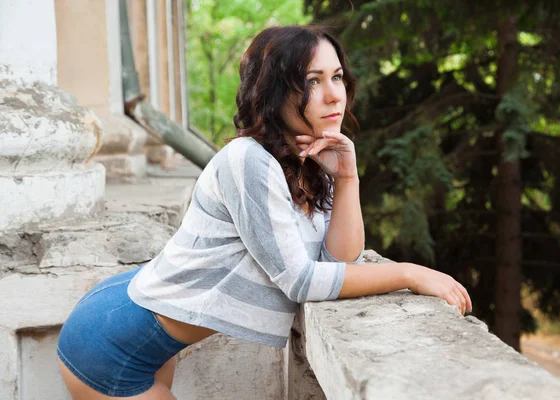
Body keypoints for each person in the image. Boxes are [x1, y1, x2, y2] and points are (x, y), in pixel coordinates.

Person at [56, 25, 472, 399]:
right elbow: (301, 280)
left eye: (337, 76)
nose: (334, 94)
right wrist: (411, 273)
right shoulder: (248, 160)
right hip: (109, 342)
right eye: (313, 80)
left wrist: (348, 179)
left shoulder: (307, 159)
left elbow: (339, 262)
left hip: (153, 334)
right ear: (274, 91)